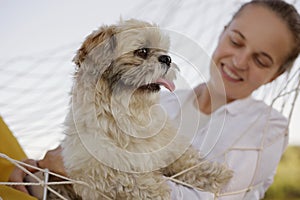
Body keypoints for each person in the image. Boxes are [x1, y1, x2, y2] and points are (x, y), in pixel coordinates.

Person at [8, 0, 300, 199]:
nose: (239, 60)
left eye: (261, 60)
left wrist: (85, 171)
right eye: (236, 41)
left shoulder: (265, 127)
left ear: (275, 75)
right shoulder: (156, 99)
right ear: (223, 33)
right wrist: (39, 173)